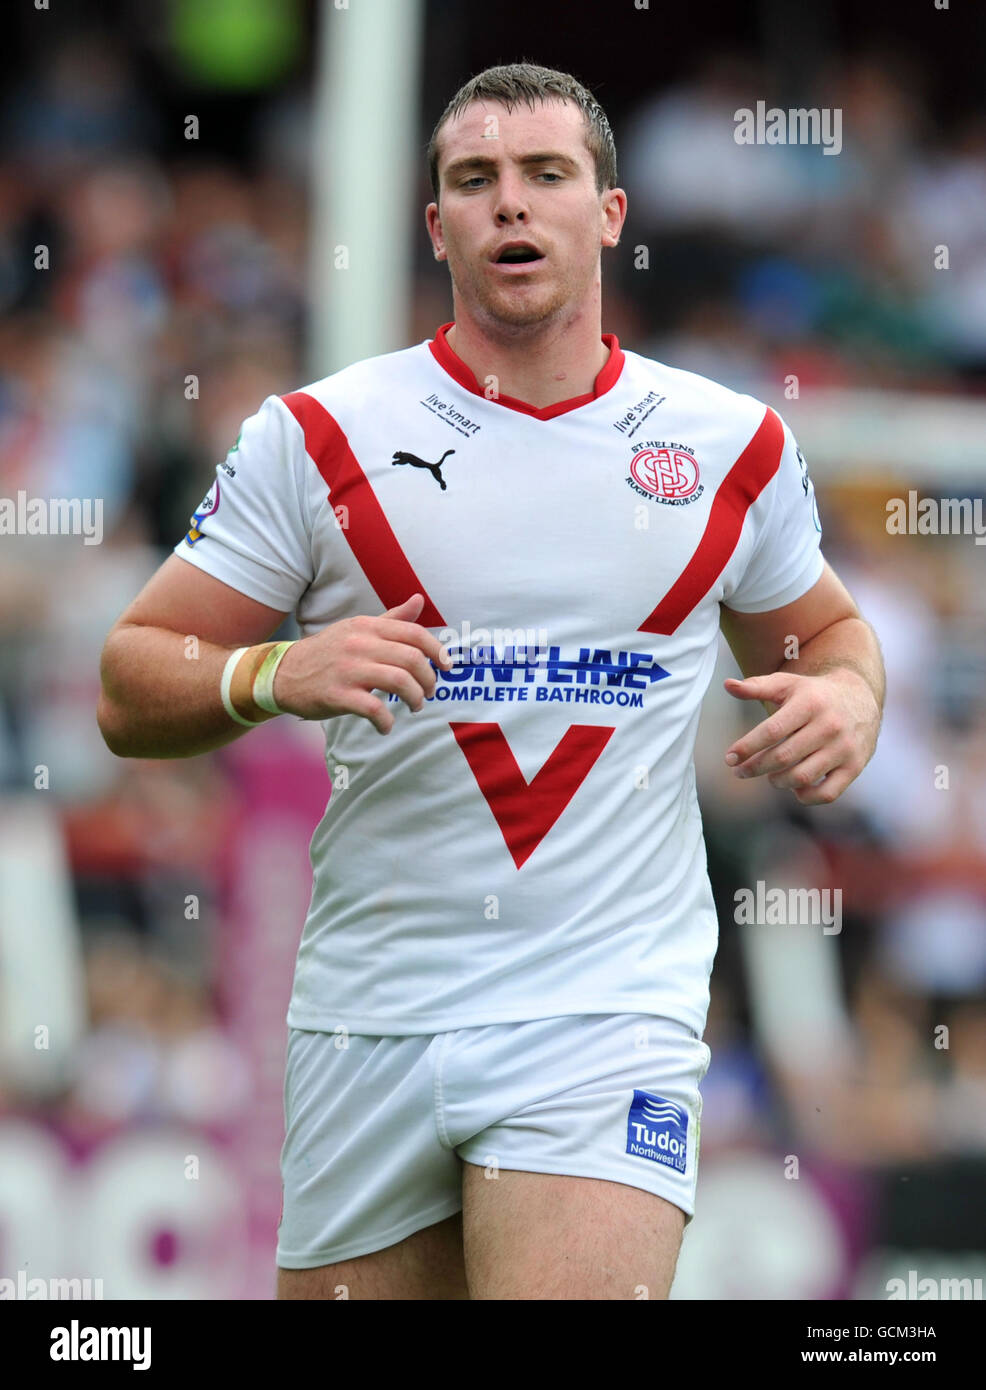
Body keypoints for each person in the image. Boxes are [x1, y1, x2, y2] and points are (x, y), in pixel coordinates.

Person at [97, 62, 885, 1300]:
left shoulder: (729, 444)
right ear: (436, 225)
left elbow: (829, 638)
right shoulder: (314, 436)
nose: (509, 206)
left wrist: (850, 696)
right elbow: (129, 685)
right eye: (475, 181)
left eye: (544, 176)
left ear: (608, 212)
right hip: (369, 1014)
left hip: (602, 1011)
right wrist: (273, 670)